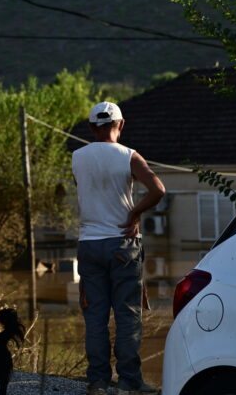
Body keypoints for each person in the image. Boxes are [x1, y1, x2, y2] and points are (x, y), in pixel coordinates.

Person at [72, 102, 165, 395]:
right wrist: (135, 213)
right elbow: (158, 190)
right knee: (127, 316)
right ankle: (129, 380)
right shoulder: (129, 156)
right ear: (121, 125)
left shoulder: (77, 157)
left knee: (95, 317)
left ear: (91, 128)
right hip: (123, 245)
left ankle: (97, 381)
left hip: (89, 244)